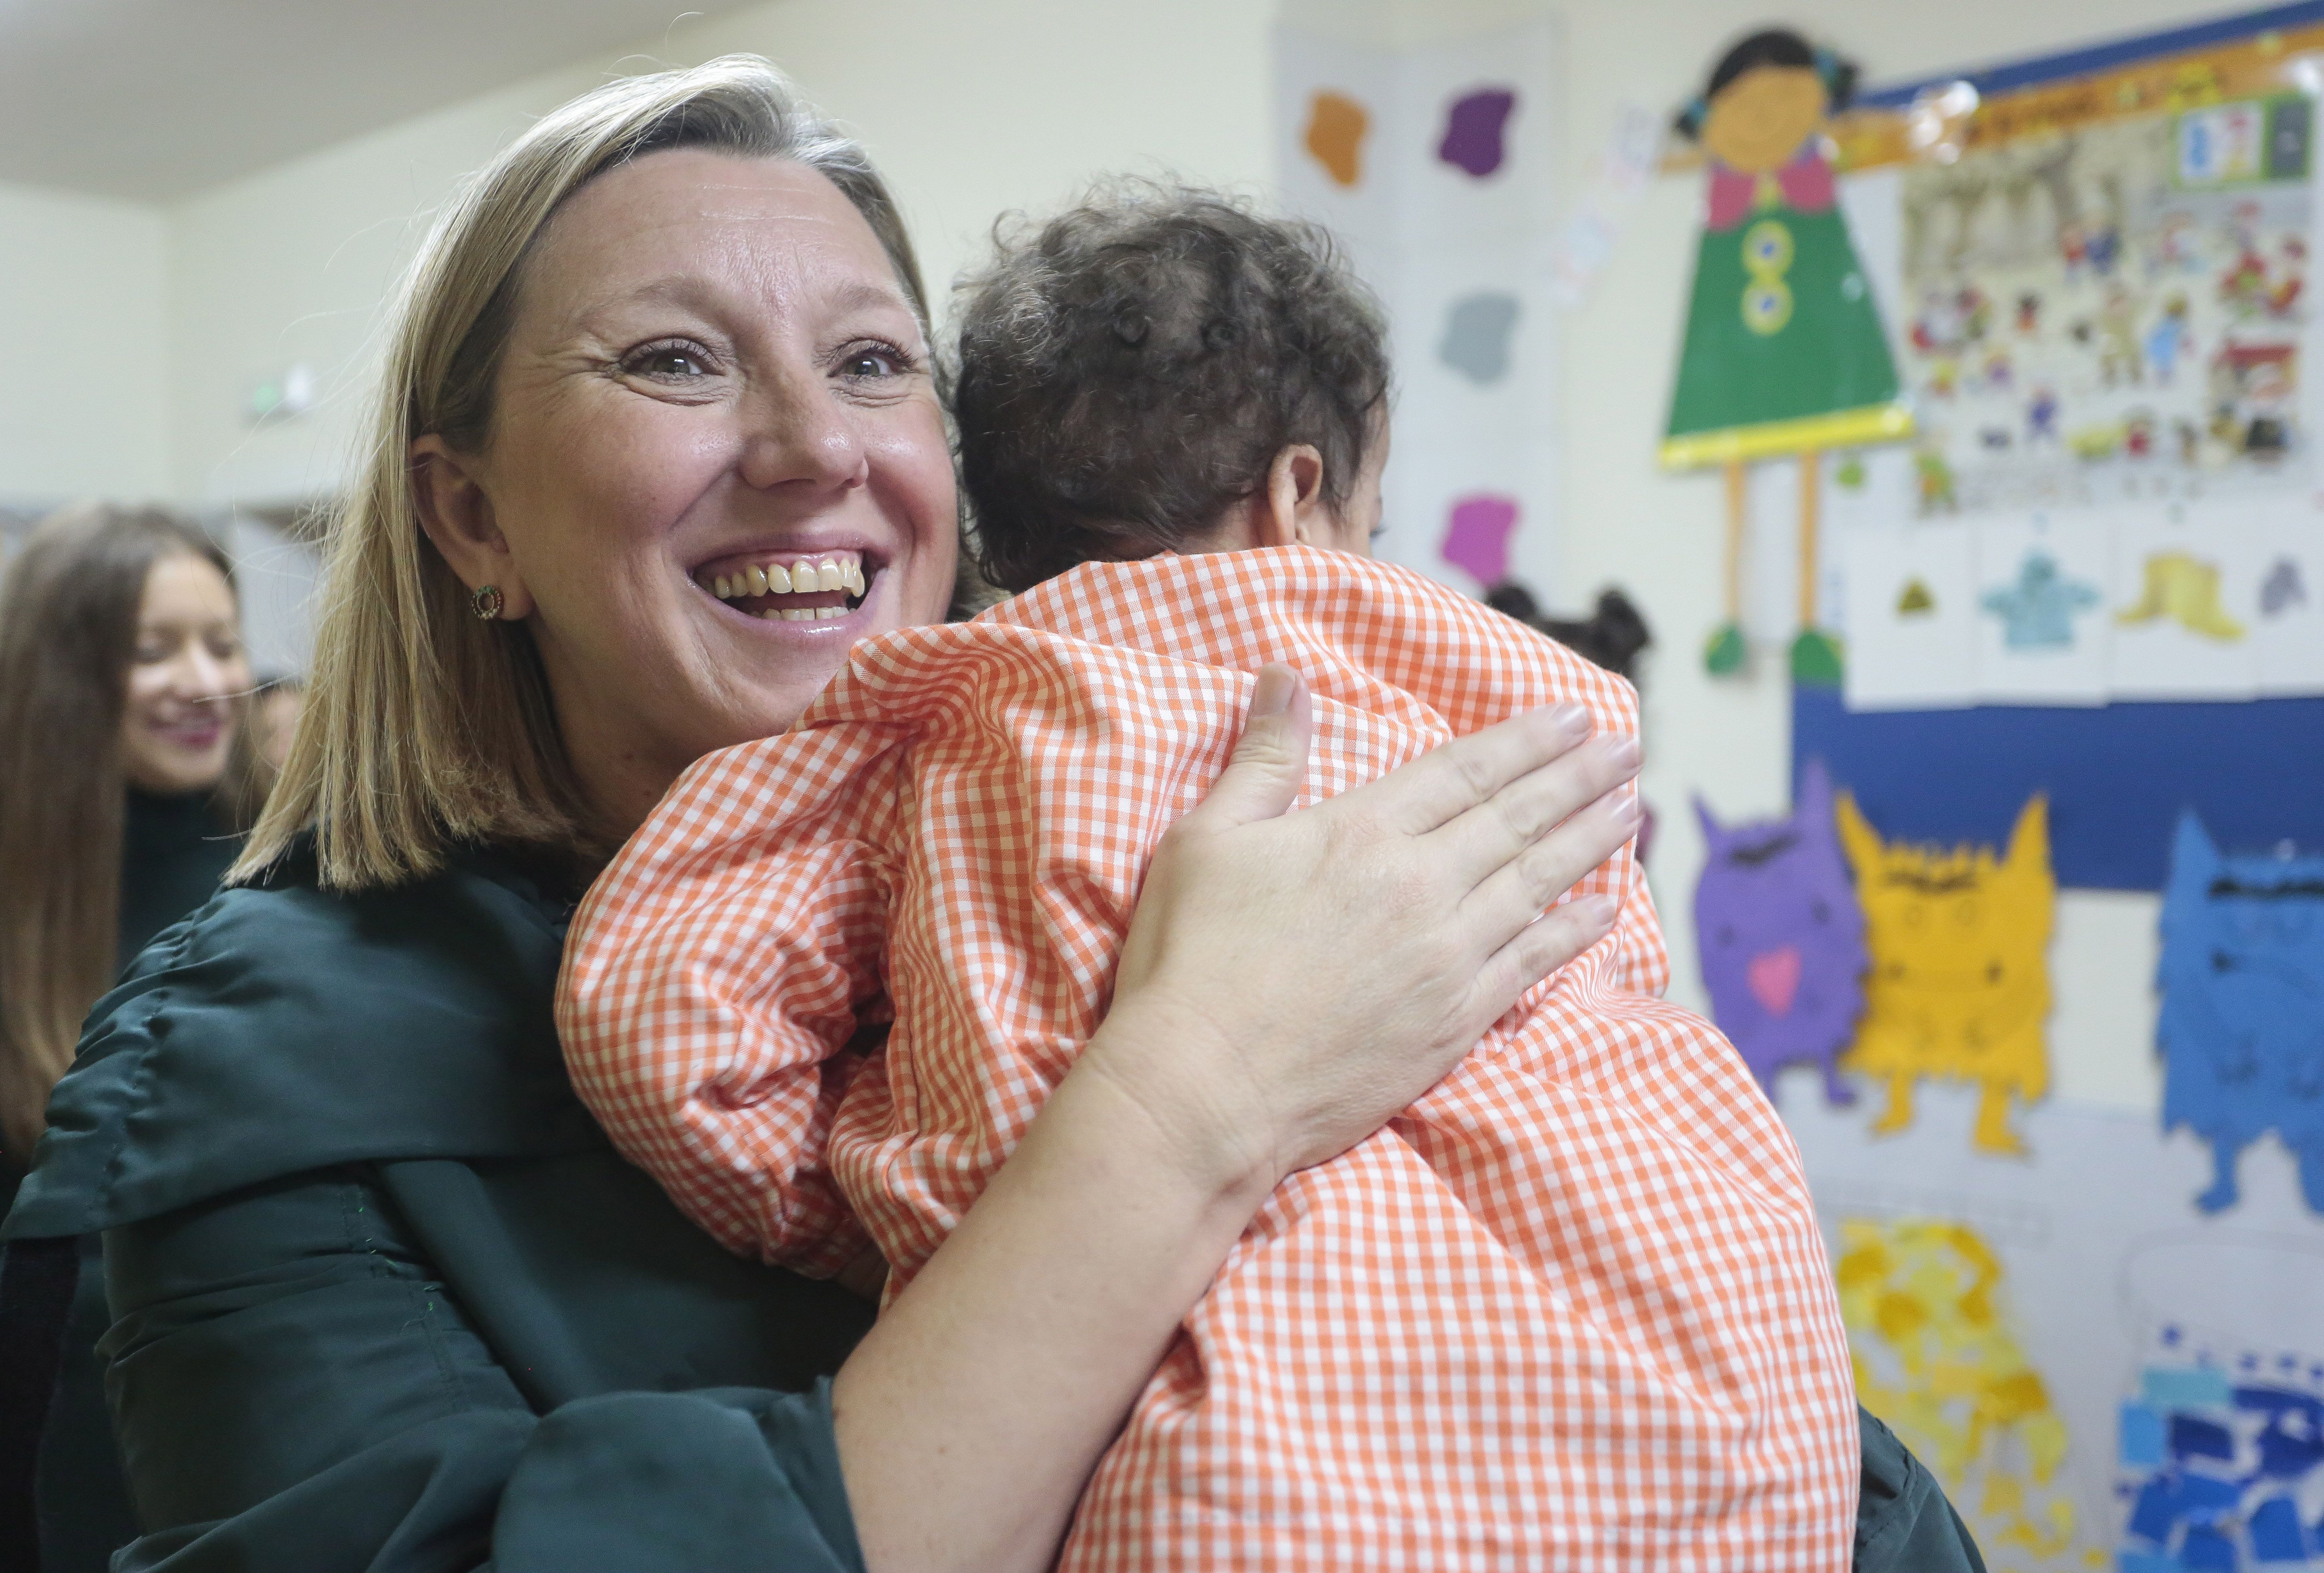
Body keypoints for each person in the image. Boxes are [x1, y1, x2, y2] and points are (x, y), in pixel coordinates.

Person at [0, 58, 1981, 1573]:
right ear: (471, 516)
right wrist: (1194, 1100)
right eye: (676, 360)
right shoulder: (271, 1068)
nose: (812, 450)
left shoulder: (1214, 835)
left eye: (874, 364)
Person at [561, 188, 1855, 1568]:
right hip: (1721, 1417)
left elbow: (661, 1019)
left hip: (1251, 1476)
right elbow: (1613, 982)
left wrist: (850, 1198)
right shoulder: (1525, 691)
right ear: (1302, 492)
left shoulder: (945, 706)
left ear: (992, 539)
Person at [0, 505, 263, 1571]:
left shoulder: (294, 869)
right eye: (154, 651)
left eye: (222, 642)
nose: (204, 679)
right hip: (48, 1460)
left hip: (253, 1444)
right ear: (64, 677)